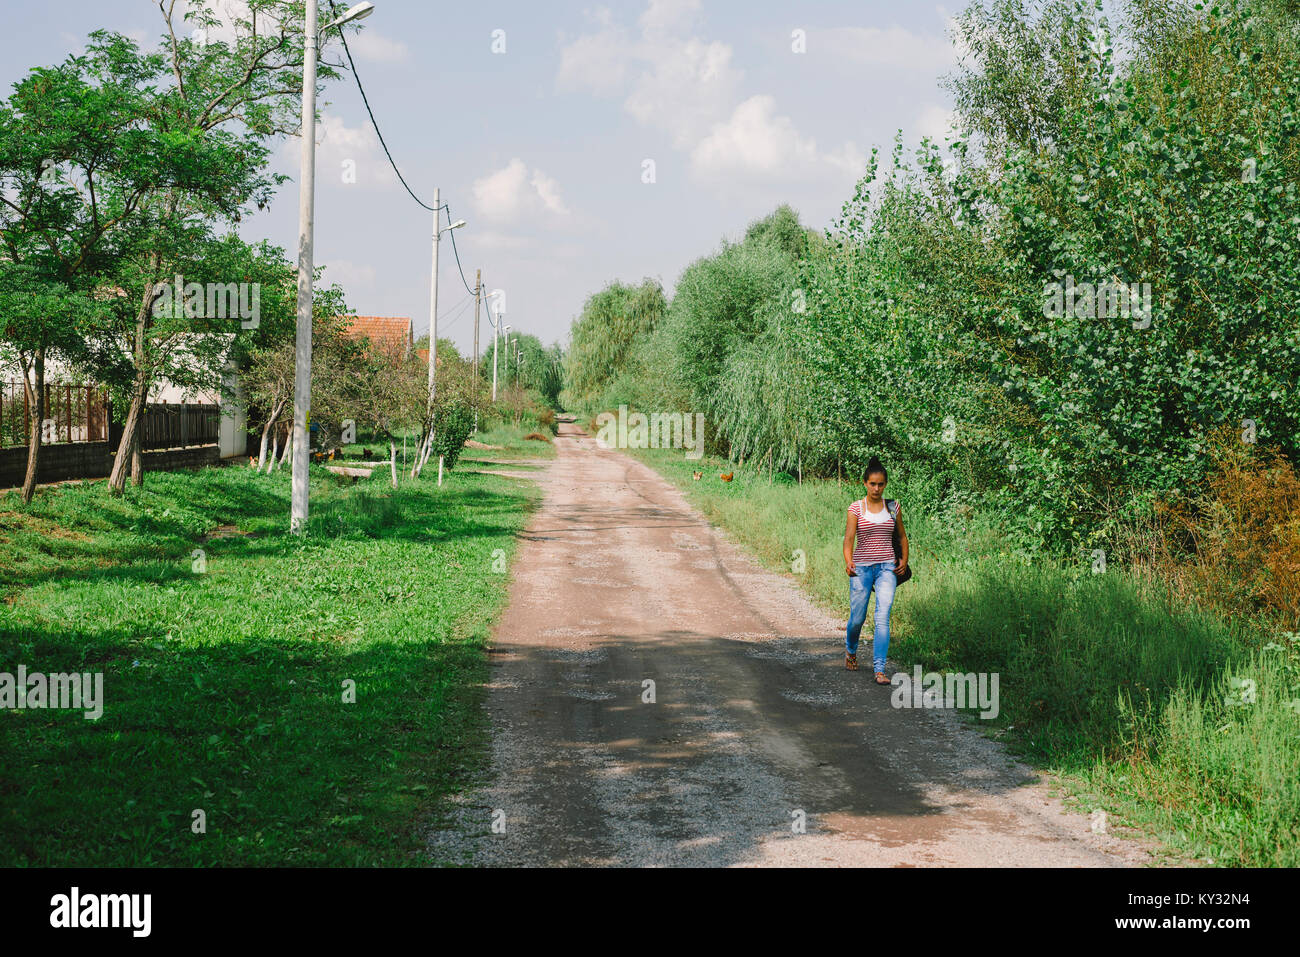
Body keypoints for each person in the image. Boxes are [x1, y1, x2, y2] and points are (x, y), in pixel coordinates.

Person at [841, 456, 908, 683]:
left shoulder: (893, 507)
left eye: (880, 484)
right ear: (865, 483)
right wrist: (849, 561)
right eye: (872, 484)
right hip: (861, 569)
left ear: (885, 484)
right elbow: (849, 539)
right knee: (857, 618)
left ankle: (879, 670)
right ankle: (851, 651)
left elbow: (902, 536)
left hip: (887, 569)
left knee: (882, 616)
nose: (877, 488)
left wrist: (904, 561)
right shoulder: (856, 508)